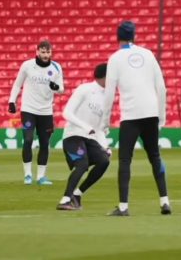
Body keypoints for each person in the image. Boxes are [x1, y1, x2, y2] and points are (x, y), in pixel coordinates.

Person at [102, 21, 170, 216]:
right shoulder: (148, 54)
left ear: (118, 37)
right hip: (151, 114)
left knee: (125, 160)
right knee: (155, 157)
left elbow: (109, 92)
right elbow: (162, 88)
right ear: (134, 36)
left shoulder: (115, 58)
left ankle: (123, 207)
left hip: (130, 116)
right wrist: (161, 117)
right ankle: (165, 202)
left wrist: (105, 120)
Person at [8, 40, 64, 185]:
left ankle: (41, 177)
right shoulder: (27, 65)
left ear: (51, 52)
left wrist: (55, 87)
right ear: (37, 52)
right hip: (28, 109)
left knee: (45, 143)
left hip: (46, 111)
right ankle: (27, 174)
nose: (46, 55)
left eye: (48, 52)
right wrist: (12, 101)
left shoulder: (56, 67)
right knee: (28, 140)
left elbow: (61, 90)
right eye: (43, 52)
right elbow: (17, 84)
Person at [57, 63, 111, 211]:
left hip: (90, 139)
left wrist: (105, 146)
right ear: (105, 76)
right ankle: (65, 200)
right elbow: (67, 113)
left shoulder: (107, 99)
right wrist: (86, 127)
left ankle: (78, 194)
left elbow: (100, 129)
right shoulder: (85, 89)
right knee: (82, 164)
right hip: (73, 136)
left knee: (104, 161)